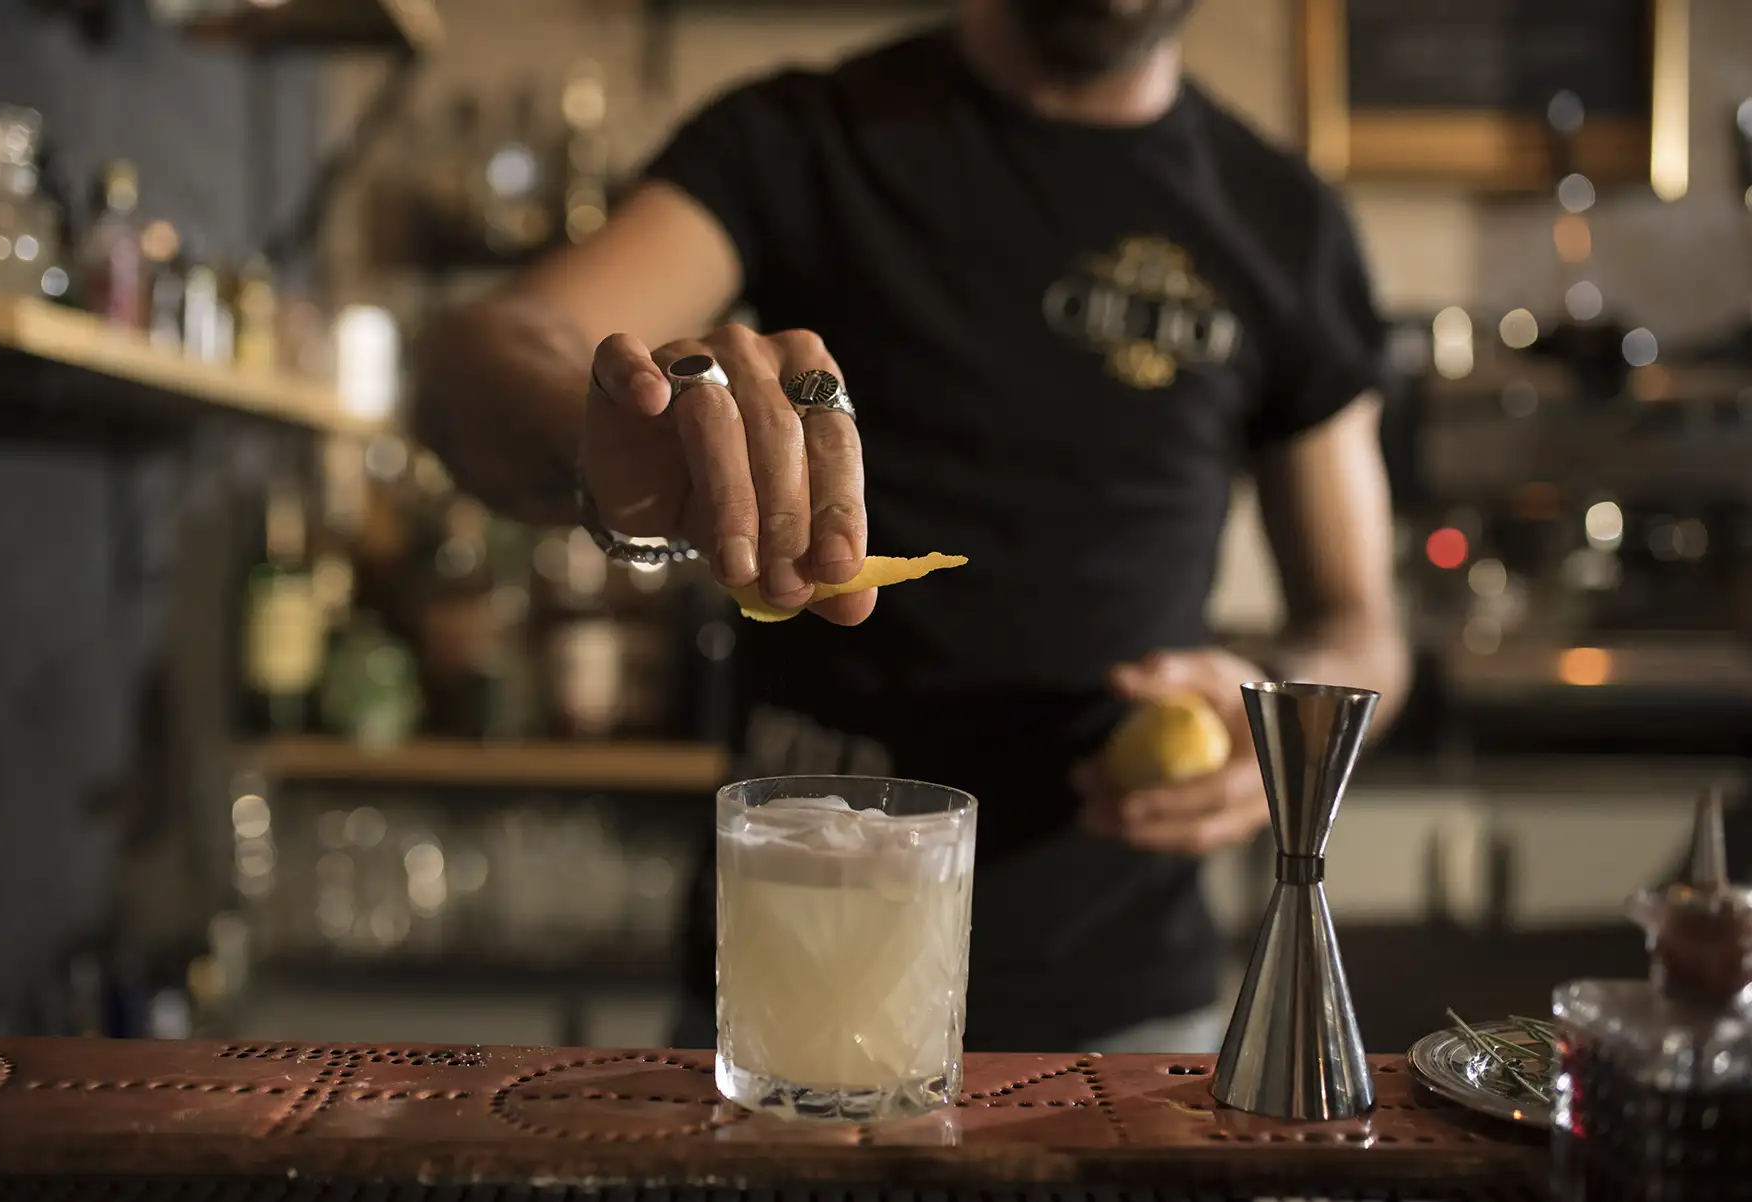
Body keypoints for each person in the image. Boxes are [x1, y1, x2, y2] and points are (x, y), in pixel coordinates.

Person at [413, 0, 1411, 1053]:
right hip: (793, 979)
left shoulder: (1282, 222)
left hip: (1125, 1013)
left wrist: (1270, 733)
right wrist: (609, 444)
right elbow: (478, 357)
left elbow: (1359, 628)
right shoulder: (800, 140)